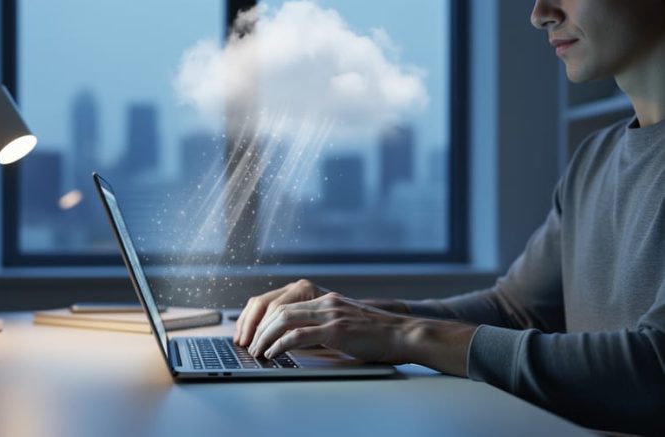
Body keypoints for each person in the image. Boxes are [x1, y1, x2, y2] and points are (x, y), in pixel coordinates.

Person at [233, 0, 665, 435]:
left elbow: (656, 369)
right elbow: (515, 310)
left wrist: (407, 335)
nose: (540, 14)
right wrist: (350, 315)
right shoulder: (595, 157)